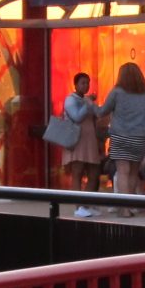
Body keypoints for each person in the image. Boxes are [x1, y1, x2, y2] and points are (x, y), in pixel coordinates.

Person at [97, 62, 145, 206]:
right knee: (134, 172)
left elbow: (103, 111)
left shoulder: (116, 92)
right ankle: (132, 204)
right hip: (139, 137)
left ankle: (124, 208)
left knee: (122, 171)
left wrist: (89, 105)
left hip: (120, 136)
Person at [61, 72, 104, 214]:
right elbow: (76, 117)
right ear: (76, 85)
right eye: (83, 83)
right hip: (77, 140)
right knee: (77, 172)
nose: (86, 86)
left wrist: (92, 104)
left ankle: (86, 204)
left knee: (94, 172)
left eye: (88, 83)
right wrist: (87, 104)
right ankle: (78, 206)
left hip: (89, 139)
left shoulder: (87, 100)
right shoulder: (70, 100)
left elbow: (98, 114)